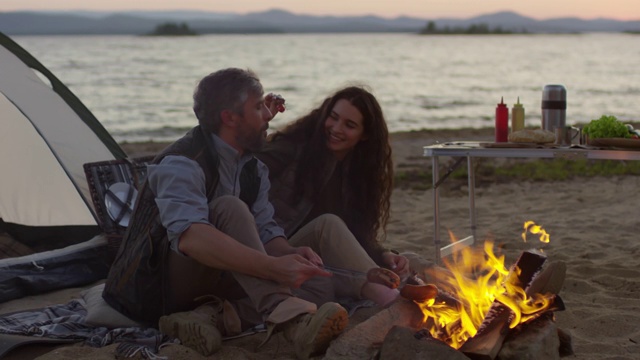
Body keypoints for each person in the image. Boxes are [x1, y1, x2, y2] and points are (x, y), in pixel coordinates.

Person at [101, 68, 350, 360]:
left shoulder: (252, 168)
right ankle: (292, 323)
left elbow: (265, 230)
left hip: (215, 276)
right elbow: (191, 238)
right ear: (230, 118)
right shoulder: (181, 163)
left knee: (318, 282)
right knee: (229, 208)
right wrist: (273, 269)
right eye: (258, 108)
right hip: (156, 290)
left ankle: (210, 317)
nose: (267, 116)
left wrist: (289, 253)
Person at [256, 86, 410, 307]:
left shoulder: (357, 172)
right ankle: (386, 294)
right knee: (328, 224)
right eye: (333, 117)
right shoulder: (294, 148)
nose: (336, 129)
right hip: (279, 247)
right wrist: (260, 125)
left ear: (365, 135)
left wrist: (384, 255)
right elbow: (245, 167)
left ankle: (399, 290)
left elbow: (356, 233)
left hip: (320, 259)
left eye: (349, 125)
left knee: (409, 261)